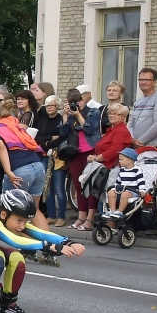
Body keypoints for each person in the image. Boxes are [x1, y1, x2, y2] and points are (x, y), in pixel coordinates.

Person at [0, 97, 48, 230]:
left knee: (11, 212)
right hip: (37, 165)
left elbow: (1, 148)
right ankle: (49, 241)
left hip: (20, 169)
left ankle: (19, 242)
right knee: (34, 209)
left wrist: (8, 171)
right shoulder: (13, 123)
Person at [63, 89, 102, 230]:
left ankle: (90, 219)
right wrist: (65, 115)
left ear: (83, 100)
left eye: (79, 100)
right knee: (78, 185)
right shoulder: (70, 114)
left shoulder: (93, 112)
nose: (77, 104)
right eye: (73, 102)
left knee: (90, 184)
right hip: (75, 152)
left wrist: (78, 115)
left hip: (90, 151)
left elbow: (90, 129)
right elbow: (63, 132)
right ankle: (81, 216)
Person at [33, 95, 67, 225]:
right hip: (44, 155)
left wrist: (47, 142)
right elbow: (37, 137)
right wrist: (50, 139)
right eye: (47, 106)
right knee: (46, 187)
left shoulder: (60, 120)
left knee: (58, 187)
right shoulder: (43, 120)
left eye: (51, 105)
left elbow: (62, 137)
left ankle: (61, 216)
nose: (49, 108)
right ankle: (51, 215)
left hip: (58, 157)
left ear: (57, 106)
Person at [104, 148, 144, 226]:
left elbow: (141, 182)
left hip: (133, 191)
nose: (119, 161)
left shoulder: (137, 170)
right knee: (110, 193)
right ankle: (112, 211)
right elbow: (118, 182)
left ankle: (120, 211)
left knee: (124, 195)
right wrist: (114, 189)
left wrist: (142, 190)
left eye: (121, 159)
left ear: (129, 160)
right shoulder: (122, 170)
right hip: (122, 190)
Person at [130, 68, 157, 148]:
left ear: (154, 82)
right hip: (135, 147)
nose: (143, 82)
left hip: (152, 147)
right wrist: (131, 139)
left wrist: (140, 141)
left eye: (147, 80)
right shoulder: (138, 102)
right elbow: (131, 124)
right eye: (141, 80)